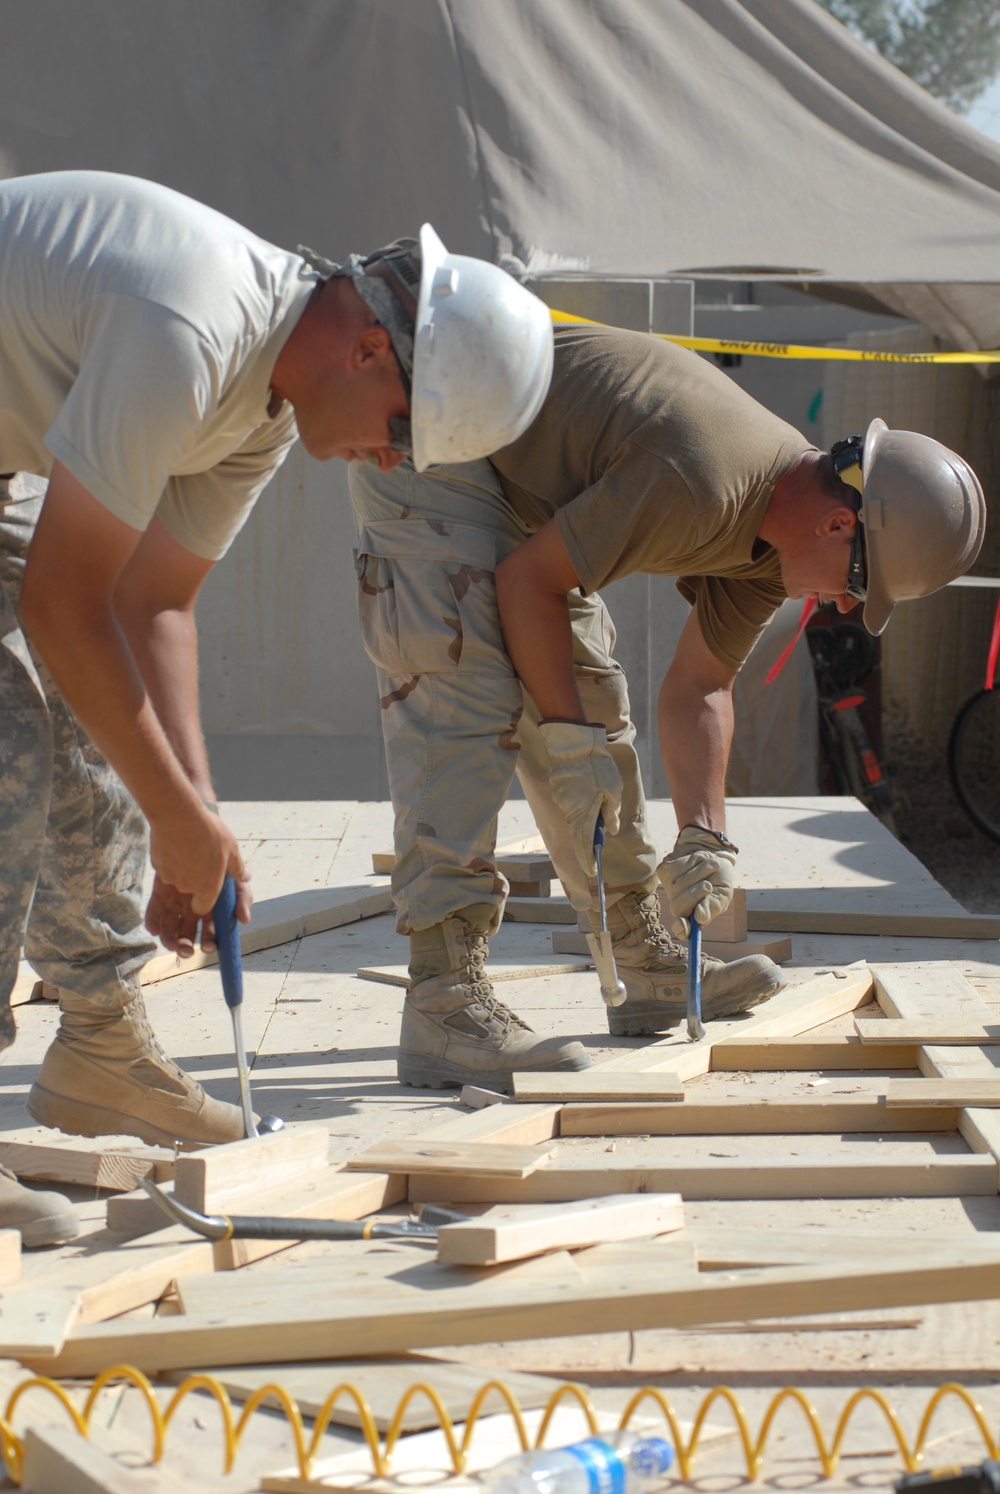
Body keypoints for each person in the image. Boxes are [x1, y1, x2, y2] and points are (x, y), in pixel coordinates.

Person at [0, 169, 554, 1245]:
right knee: (10, 744)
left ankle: (100, 1047)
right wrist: (175, 814)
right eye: (402, 427)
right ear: (367, 348)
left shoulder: (258, 406)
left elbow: (150, 603)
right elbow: (62, 604)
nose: (390, 460)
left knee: (103, 728)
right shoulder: (191, 324)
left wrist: (193, 822)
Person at [349, 322, 986, 1092]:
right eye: (859, 583)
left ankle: (645, 961)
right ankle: (443, 999)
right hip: (433, 437)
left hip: (520, 482)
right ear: (838, 522)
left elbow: (701, 687)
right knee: (467, 685)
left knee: (588, 696)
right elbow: (526, 584)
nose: (846, 603)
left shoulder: (770, 540)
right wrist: (569, 741)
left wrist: (705, 833)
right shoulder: (706, 478)